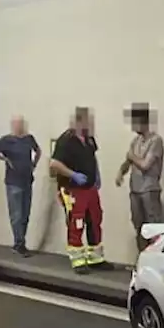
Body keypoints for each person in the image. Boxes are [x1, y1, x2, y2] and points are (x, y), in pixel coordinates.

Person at [50, 107, 104, 271]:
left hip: (90, 188)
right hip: (72, 188)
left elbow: (92, 158)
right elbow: (54, 164)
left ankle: (95, 258)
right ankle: (78, 260)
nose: (92, 124)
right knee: (77, 222)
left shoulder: (89, 140)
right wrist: (73, 174)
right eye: (89, 120)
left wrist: (97, 177)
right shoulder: (66, 140)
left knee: (95, 220)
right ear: (79, 121)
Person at [116, 102, 164, 253]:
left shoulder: (156, 141)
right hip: (135, 190)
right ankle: (142, 257)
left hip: (149, 190)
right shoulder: (135, 141)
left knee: (152, 228)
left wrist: (132, 156)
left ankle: (155, 258)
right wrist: (120, 172)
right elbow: (128, 161)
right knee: (139, 226)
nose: (133, 127)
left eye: (136, 123)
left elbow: (145, 165)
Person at [0, 116, 41, 256]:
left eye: (20, 124)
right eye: (16, 124)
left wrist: (34, 164)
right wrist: (4, 158)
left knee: (25, 214)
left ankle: (21, 241)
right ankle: (19, 243)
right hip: (13, 182)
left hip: (27, 180)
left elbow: (38, 151)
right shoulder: (6, 140)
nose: (18, 126)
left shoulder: (29, 138)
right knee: (16, 214)